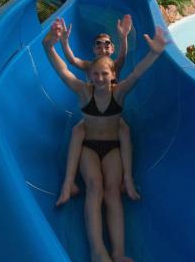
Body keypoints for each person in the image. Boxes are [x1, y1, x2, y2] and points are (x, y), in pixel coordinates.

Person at [43, 18, 167, 262]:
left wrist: (153, 54)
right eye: (96, 74)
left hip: (112, 149)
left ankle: (119, 252)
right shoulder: (83, 91)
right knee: (94, 187)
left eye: (104, 74)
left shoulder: (119, 93)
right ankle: (98, 251)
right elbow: (63, 70)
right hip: (89, 147)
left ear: (112, 76)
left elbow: (137, 73)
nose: (100, 78)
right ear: (90, 76)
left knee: (112, 192)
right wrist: (49, 47)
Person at [55, 15, 140, 207]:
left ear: (112, 48)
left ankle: (127, 178)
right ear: (94, 49)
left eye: (107, 44)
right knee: (78, 130)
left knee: (124, 130)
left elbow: (124, 57)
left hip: (111, 111)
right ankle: (70, 181)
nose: (102, 47)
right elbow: (70, 60)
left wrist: (124, 37)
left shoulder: (114, 65)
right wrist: (64, 42)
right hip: (93, 110)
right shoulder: (89, 66)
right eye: (98, 44)